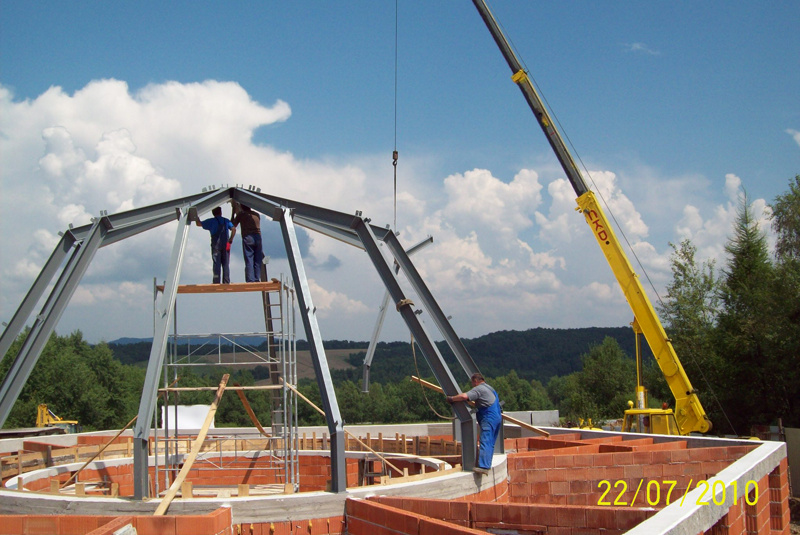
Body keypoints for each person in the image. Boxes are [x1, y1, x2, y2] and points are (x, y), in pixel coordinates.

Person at [446, 373, 502, 475]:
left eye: (472, 383)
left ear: (476, 381)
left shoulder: (479, 389)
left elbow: (464, 396)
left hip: (488, 418)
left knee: (485, 440)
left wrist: (452, 399)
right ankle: (486, 464)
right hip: (496, 418)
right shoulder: (490, 388)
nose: (472, 385)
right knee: (490, 443)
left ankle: (484, 467)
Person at [194, 206, 235, 284]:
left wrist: (196, 215)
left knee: (216, 264)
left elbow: (198, 224)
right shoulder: (225, 220)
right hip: (226, 245)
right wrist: (230, 239)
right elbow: (233, 229)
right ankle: (226, 281)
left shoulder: (211, 221)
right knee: (226, 263)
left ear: (213, 213)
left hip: (216, 246)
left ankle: (216, 281)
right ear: (221, 212)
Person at [231, 204, 263, 282]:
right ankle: (257, 278)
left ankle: (250, 279)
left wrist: (233, 213)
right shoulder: (256, 214)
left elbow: (232, 225)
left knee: (249, 258)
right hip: (258, 237)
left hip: (248, 237)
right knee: (257, 259)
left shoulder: (241, 215)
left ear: (242, 207)